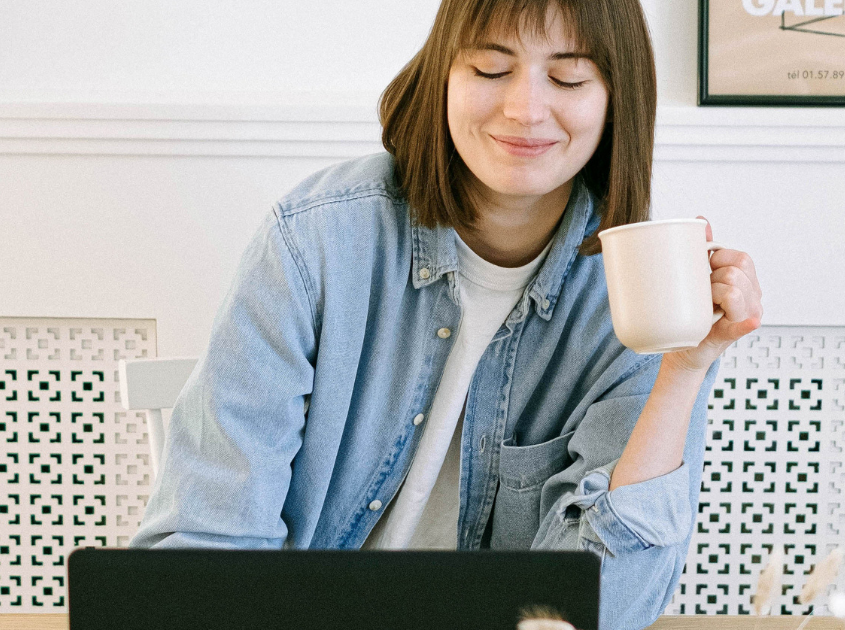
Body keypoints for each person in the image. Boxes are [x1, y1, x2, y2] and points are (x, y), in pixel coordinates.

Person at [130, 0, 764, 628]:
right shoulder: (318, 241)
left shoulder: (638, 288)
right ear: (442, 75)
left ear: (617, 98)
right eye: (490, 69)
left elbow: (605, 608)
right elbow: (205, 552)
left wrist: (684, 368)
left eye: (568, 77)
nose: (524, 108)